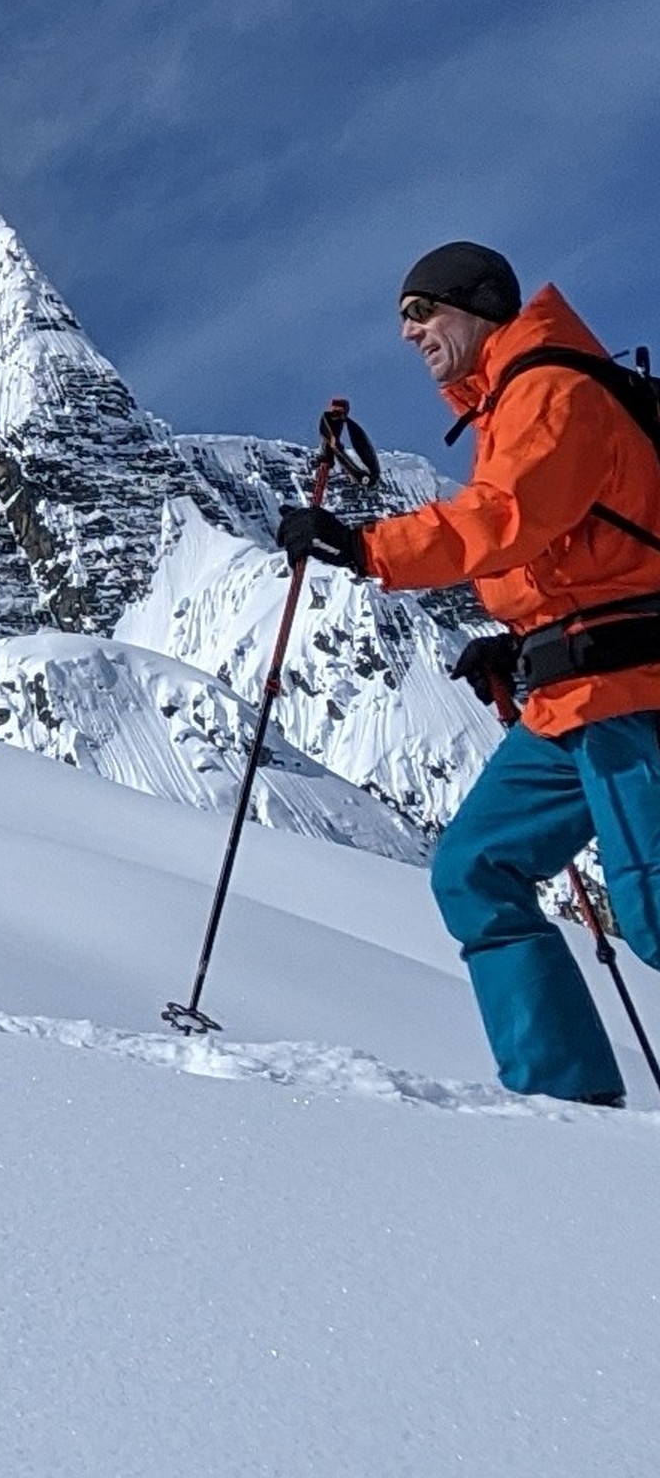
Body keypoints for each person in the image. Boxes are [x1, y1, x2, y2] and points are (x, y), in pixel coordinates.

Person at [279, 241, 660, 1103]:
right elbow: (564, 552)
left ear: (480, 305)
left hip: (633, 687)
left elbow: (507, 515)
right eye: (403, 319)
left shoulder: (552, 391)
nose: (410, 332)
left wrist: (366, 545)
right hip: (573, 692)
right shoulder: (511, 407)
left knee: (653, 910)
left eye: (424, 311)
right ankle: (567, 1105)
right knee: (475, 870)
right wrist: (521, 639)